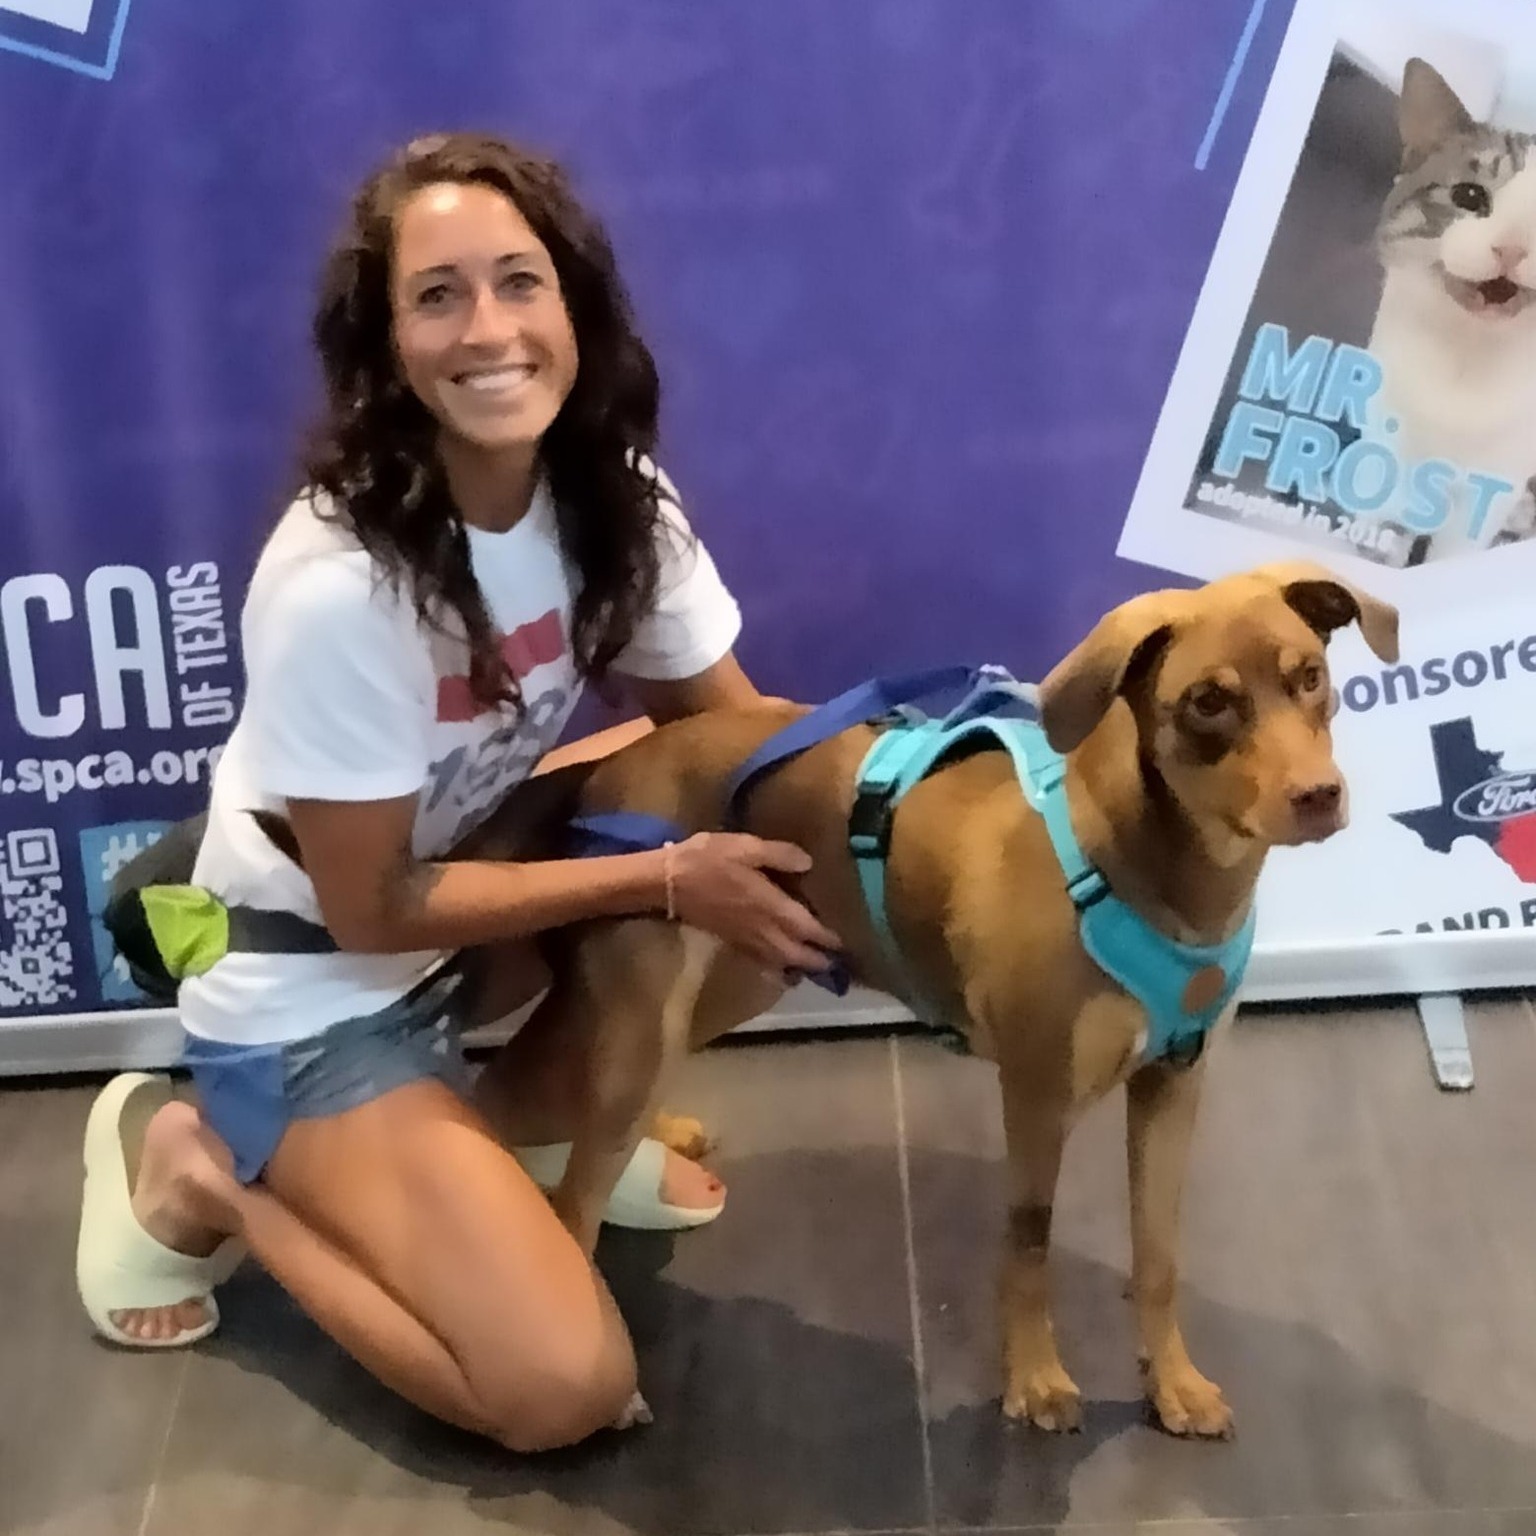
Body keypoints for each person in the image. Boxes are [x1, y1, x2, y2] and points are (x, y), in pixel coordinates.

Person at [74, 132, 841, 1453]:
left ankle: (523, 1139)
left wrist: (909, 819)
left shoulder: (611, 500)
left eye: (518, 281)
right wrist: (661, 878)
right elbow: (370, 913)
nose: (489, 329)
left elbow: (743, 743)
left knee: (777, 856)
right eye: (437, 296)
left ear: (575, 306)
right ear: (386, 352)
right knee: (562, 1389)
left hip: (453, 919)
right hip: (312, 995)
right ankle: (205, 1168)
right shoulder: (341, 586)